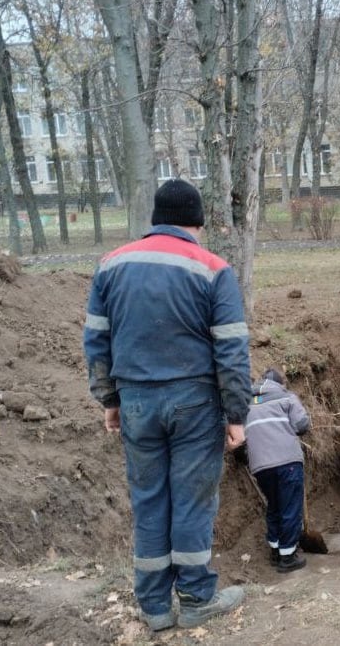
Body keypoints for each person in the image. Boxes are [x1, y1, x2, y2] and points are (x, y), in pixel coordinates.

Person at [83, 179, 250, 632]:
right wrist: (237, 415)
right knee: (192, 502)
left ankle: (155, 607)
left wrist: (109, 400)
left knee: (150, 499)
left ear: (155, 219)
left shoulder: (111, 265)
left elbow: (96, 340)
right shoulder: (213, 268)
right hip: (194, 402)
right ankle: (196, 598)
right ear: (197, 221)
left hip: (136, 400)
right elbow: (231, 350)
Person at [245, 368, 311, 573]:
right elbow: (302, 425)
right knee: (290, 508)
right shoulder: (286, 396)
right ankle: (288, 557)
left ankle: (275, 551)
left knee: (274, 506)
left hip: (260, 467)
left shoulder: (245, 403)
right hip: (287, 462)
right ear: (279, 383)